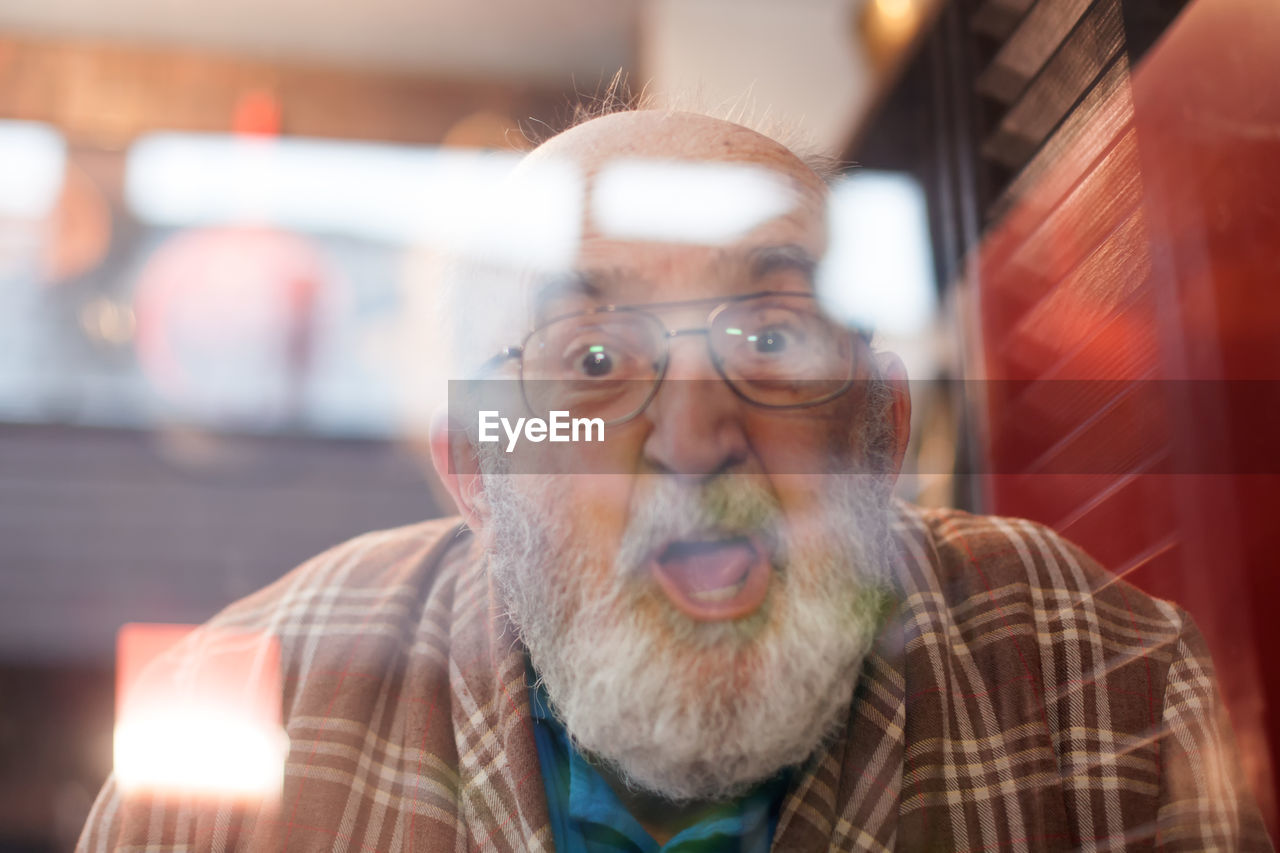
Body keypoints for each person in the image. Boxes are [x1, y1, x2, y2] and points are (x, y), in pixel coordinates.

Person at [79, 109, 1271, 852]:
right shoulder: (238, 715)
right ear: (475, 471)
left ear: (883, 429)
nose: (693, 435)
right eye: (592, 362)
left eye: (770, 339)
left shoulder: (1094, 685)